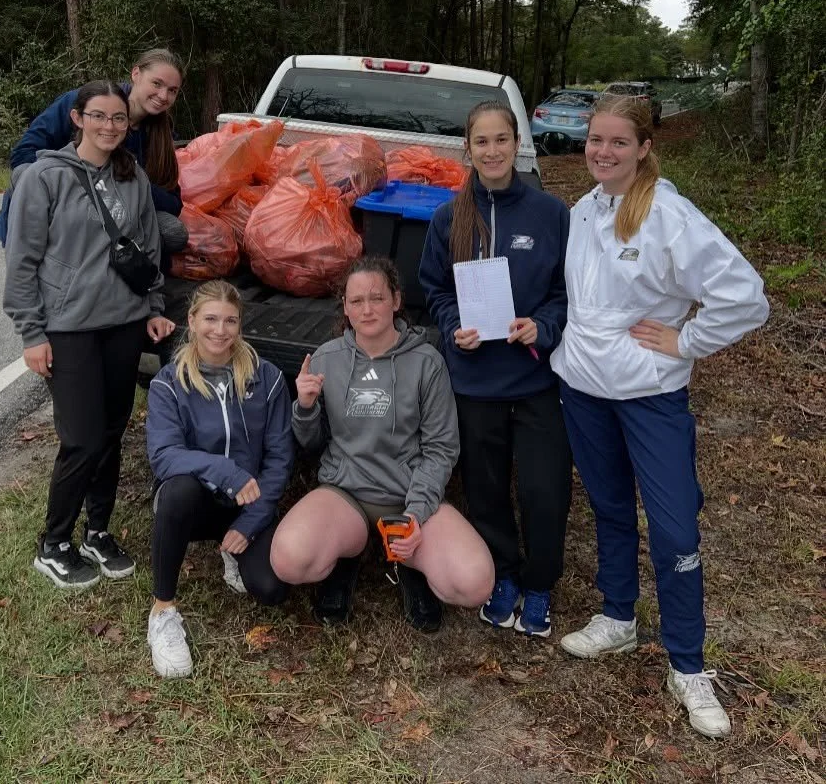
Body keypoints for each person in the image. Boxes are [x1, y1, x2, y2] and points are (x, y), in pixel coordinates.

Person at [550, 97, 769, 738]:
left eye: (619, 142)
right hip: (582, 389)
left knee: (674, 527)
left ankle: (688, 662)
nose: (603, 152)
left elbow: (744, 296)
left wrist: (686, 342)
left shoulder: (669, 215)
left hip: (649, 396)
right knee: (611, 507)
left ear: (644, 147)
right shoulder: (582, 211)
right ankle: (618, 617)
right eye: (596, 140)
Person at [3, 80, 176, 590]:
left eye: (118, 119)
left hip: (122, 324)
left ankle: (97, 530)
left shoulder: (133, 176)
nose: (109, 127)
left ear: (128, 125)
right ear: (77, 119)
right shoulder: (43, 177)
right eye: (98, 117)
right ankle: (53, 542)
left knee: (110, 434)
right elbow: (22, 263)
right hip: (68, 329)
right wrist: (32, 333)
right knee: (80, 438)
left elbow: (147, 250)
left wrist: (154, 307)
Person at [270, 256, 493, 632]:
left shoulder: (427, 363)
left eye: (376, 297)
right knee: (289, 561)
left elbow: (441, 448)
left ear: (396, 300)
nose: (367, 308)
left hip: (407, 496)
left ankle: (408, 563)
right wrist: (304, 407)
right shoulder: (327, 358)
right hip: (345, 496)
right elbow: (311, 444)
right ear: (345, 306)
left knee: (474, 583)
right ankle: (349, 555)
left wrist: (416, 513)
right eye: (356, 301)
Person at [418, 100, 573, 637]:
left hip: (535, 379)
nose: (492, 150)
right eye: (481, 141)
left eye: (501, 139)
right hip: (475, 379)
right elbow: (433, 289)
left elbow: (565, 293)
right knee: (484, 488)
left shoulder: (551, 215)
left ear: (517, 144)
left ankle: (539, 583)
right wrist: (453, 324)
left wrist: (542, 327)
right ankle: (504, 572)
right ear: (468, 148)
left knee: (543, 487)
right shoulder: (448, 218)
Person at [145, 279, 293, 678]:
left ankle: (234, 549)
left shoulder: (269, 378)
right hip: (196, 502)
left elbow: (279, 458)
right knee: (176, 491)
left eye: (230, 320)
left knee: (271, 589)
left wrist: (251, 522)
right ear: (191, 321)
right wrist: (225, 471)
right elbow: (164, 456)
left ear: (240, 325)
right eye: (210, 318)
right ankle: (162, 612)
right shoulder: (168, 384)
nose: (220, 330)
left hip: (248, 503)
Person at [0, 48, 188, 259]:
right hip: (65, 197)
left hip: (115, 206)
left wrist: (131, 185)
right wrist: (69, 183)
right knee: (23, 173)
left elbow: (173, 202)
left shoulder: (161, 133)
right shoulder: (85, 101)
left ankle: (131, 271)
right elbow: (23, 154)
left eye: (172, 90)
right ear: (136, 74)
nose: (163, 96)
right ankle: (40, 254)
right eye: (157, 83)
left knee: (173, 232)